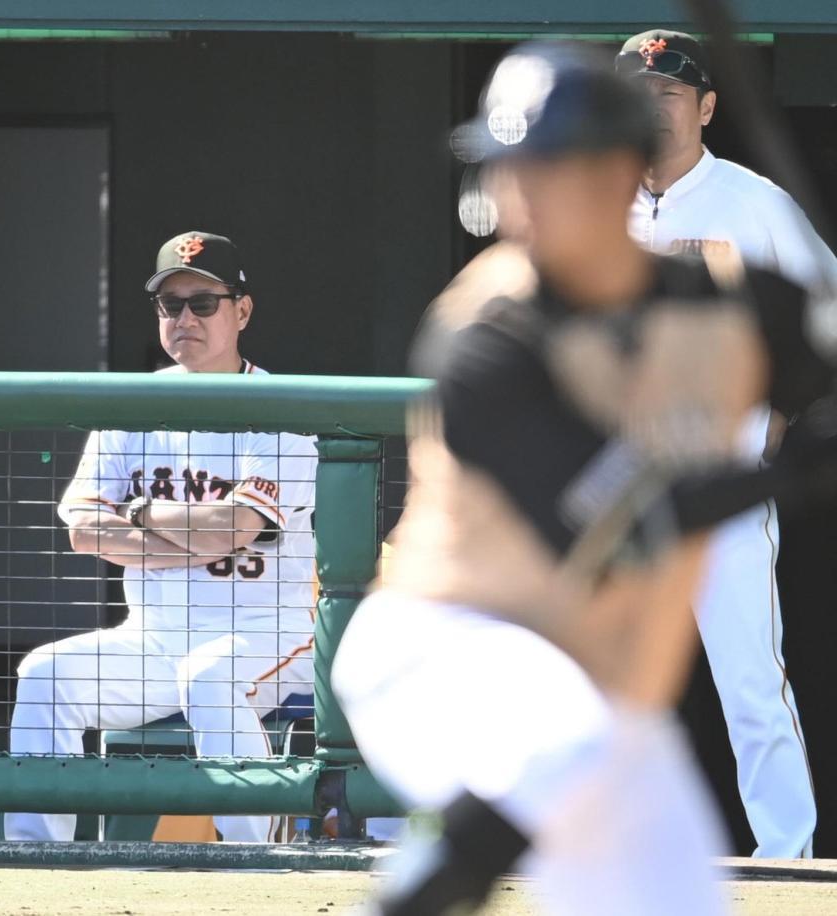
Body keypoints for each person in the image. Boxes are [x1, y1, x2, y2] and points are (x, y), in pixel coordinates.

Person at [333, 43, 837, 916]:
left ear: (616, 172)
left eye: (544, 168)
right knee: (560, 741)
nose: (516, 196)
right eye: (507, 169)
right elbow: (610, 522)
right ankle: (434, 880)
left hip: (604, 687)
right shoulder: (485, 333)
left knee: (672, 894)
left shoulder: (715, 291)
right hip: (450, 643)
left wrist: (812, 348)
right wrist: (789, 471)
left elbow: (805, 356)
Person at [5, 231, 318, 843]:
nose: (184, 318)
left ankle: (263, 864)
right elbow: (83, 528)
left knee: (210, 675)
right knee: (45, 672)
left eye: (203, 303)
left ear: (242, 311)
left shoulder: (280, 407)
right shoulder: (135, 404)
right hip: (153, 638)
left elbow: (236, 528)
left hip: (270, 630)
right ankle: (34, 862)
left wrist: (143, 514)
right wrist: (197, 537)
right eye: (170, 305)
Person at [616, 29, 837, 858]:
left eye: (669, 93)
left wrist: (780, 420)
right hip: (614, 485)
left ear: (706, 106)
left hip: (723, 478)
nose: (652, 107)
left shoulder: (753, 201)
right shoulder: (592, 204)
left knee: (748, 679)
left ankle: (787, 856)